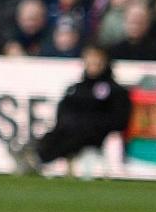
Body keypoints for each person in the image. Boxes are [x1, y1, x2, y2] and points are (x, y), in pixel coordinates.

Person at [12, 45, 132, 173]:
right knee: (61, 131)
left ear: (105, 62)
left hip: (96, 133)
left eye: (97, 60)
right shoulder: (76, 88)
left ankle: (38, 157)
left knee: (77, 132)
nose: (93, 63)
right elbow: (63, 111)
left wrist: (92, 122)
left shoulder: (115, 90)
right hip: (70, 129)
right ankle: (35, 151)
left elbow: (120, 119)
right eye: (90, 59)